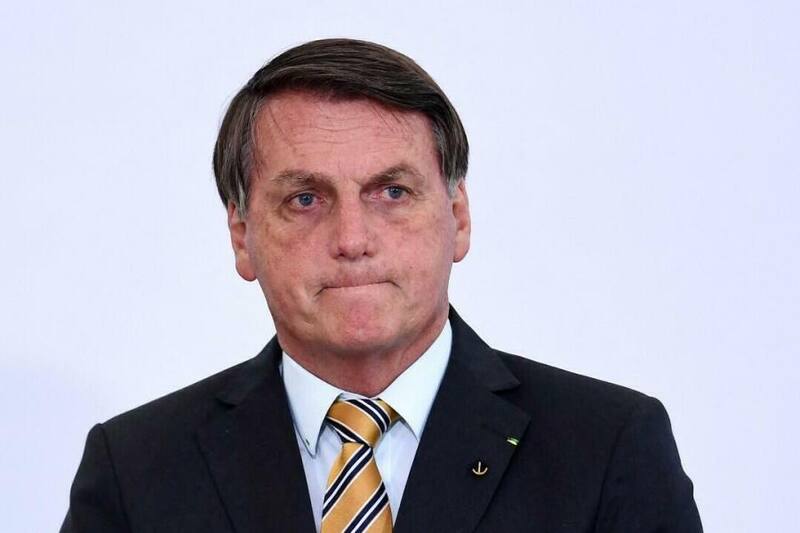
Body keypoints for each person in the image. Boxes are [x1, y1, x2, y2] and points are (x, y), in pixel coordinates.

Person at [61, 38, 702, 532]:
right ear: (241, 235)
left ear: (458, 218)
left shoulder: (608, 448)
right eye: (305, 198)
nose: (352, 238)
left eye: (391, 192)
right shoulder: (136, 470)